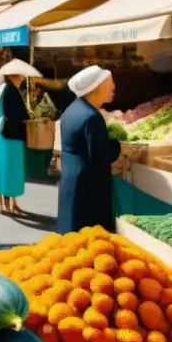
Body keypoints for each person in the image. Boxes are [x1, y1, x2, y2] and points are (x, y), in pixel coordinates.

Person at [57, 65, 121, 233]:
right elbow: (102, 155)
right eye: (110, 83)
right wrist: (116, 146)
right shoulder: (92, 117)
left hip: (71, 181)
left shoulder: (72, 110)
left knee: (70, 233)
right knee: (88, 239)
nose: (113, 87)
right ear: (96, 87)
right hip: (88, 188)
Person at [0, 73, 30, 216]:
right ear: (13, 76)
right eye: (20, 76)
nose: (23, 78)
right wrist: (27, 117)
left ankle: (8, 204)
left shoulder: (1, 89)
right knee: (10, 171)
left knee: (2, 170)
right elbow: (15, 114)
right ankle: (8, 206)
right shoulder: (9, 91)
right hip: (8, 134)